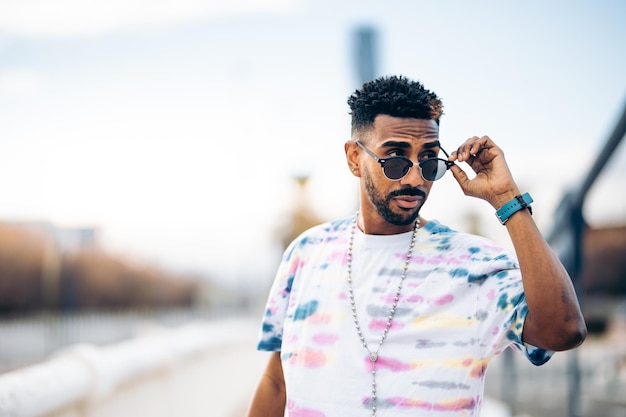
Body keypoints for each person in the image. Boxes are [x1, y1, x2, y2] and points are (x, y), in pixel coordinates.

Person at [247, 75, 586, 417]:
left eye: (428, 160)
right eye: (394, 158)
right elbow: (278, 382)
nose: (414, 179)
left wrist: (506, 199)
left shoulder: (473, 264)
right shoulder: (306, 253)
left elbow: (564, 330)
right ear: (354, 158)